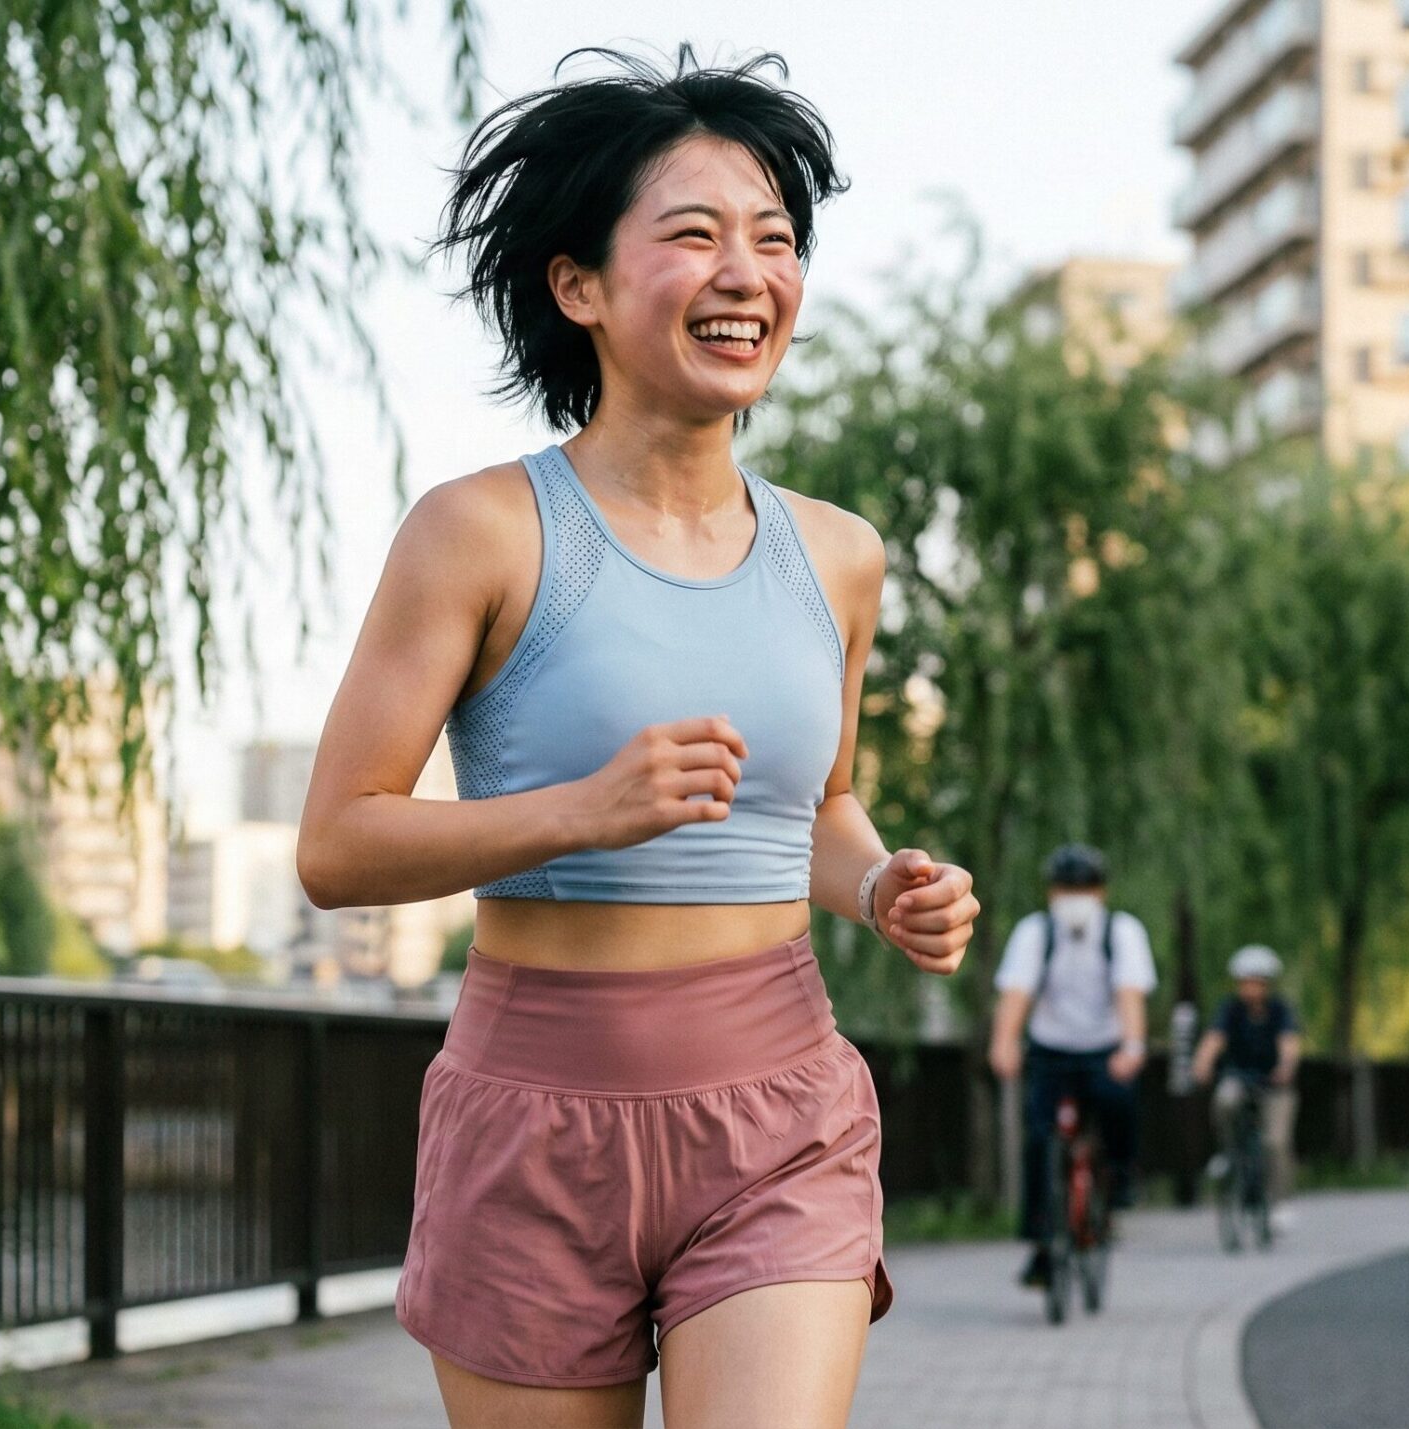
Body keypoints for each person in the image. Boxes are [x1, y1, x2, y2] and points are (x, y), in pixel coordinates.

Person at [296, 50, 980, 1429]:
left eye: (775, 241)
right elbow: (338, 840)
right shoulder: (480, 530)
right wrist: (580, 811)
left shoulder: (839, 557)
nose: (748, 272)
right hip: (531, 1124)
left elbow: (820, 802)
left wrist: (877, 884)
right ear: (580, 287)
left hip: (778, 1111)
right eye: (694, 234)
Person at [987, 844, 1157, 1289]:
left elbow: (1129, 993)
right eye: (1066, 888)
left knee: (1118, 1101)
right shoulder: (1035, 932)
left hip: (1104, 1048)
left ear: (1100, 892)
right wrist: (1004, 1043)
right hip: (1050, 1049)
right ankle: (1043, 1244)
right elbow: (1017, 993)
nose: (1074, 896)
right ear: (1051, 892)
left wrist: (1133, 1046)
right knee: (1040, 1139)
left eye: (1084, 888)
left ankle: (1119, 1181)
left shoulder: (1121, 932)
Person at [1192, 945, 1302, 1215]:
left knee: (1275, 1143)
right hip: (1239, 1079)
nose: (1250, 988)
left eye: (1257, 982)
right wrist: (1202, 1063)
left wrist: (1286, 1066)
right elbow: (1214, 1039)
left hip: (1274, 1085)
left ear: (1267, 985)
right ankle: (1228, 1151)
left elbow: (1289, 1043)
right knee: (1225, 1099)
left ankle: (1280, 1203)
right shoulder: (1230, 1010)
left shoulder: (1280, 1011)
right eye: (1245, 982)